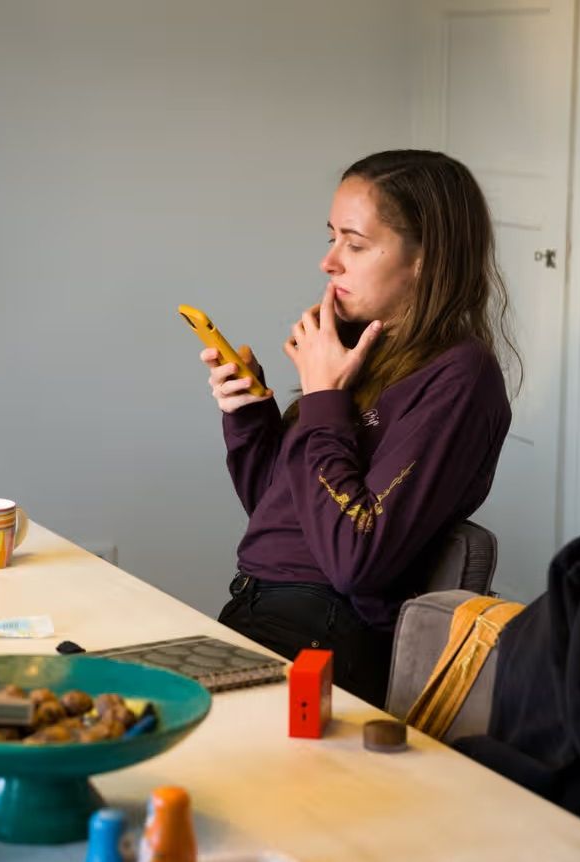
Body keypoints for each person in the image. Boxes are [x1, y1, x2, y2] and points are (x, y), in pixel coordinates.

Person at [202, 150, 514, 707]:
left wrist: (324, 399)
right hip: (258, 608)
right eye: (331, 238)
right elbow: (281, 517)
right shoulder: (358, 346)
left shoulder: (459, 378)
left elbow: (355, 559)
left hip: (326, 638)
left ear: (425, 258)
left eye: (356, 243)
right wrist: (250, 414)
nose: (330, 262)